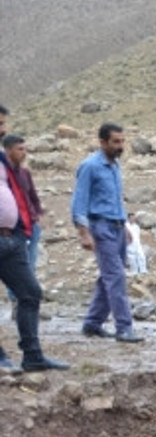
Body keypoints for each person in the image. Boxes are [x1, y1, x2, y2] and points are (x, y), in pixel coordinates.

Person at [0, 104, 68, 373]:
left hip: (11, 239)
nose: (3, 129)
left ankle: (33, 356)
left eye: (4, 123)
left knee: (30, 292)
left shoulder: (4, 160)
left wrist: (22, 226)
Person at [72, 122, 142, 343]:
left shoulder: (115, 167)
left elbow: (115, 198)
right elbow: (79, 201)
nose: (120, 146)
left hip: (117, 226)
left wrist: (124, 226)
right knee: (116, 277)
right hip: (100, 227)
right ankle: (124, 327)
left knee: (108, 277)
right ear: (102, 142)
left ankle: (92, 323)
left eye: (122, 141)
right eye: (116, 142)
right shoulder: (90, 166)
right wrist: (84, 232)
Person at [2, 135, 42, 282]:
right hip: (13, 229)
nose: (24, 153)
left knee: (29, 266)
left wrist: (37, 216)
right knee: (16, 269)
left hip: (31, 225)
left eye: (25, 149)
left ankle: (23, 300)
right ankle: (17, 300)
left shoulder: (25, 173)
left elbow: (33, 197)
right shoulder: (3, 175)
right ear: (8, 151)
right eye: (19, 149)